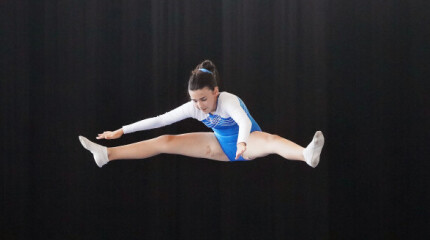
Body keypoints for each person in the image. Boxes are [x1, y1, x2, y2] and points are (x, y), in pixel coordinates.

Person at [79, 60, 324, 168]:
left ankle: (305, 154)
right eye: (194, 99)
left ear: (216, 91)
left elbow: (242, 120)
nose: (199, 105)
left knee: (271, 140)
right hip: (219, 146)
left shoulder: (227, 100)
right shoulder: (194, 107)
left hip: (248, 140)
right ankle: (107, 154)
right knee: (165, 141)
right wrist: (121, 130)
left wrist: (242, 142)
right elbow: (160, 120)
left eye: (204, 99)